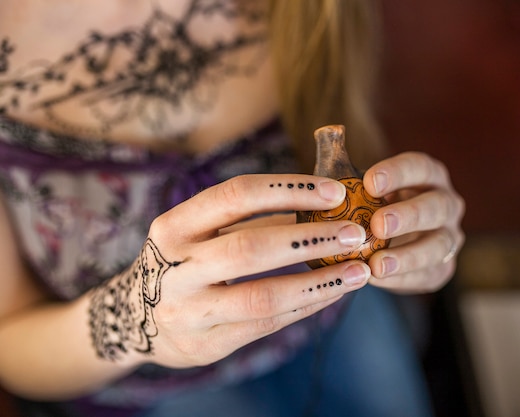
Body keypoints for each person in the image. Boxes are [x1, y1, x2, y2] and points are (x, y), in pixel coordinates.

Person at [0, 1, 465, 416]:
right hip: (132, 385)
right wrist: (138, 319)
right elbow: (9, 344)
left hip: (335, 313)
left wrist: (416, 236)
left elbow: (352, 165)